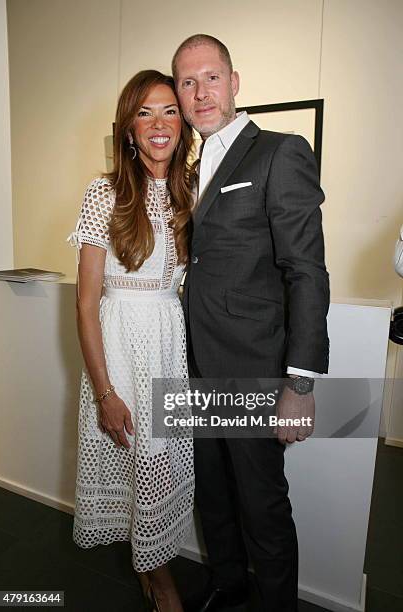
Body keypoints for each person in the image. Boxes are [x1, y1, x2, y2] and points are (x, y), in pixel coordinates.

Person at [172, 35, 330, 612]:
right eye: (187, 82)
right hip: (194, 366)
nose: (199, 92)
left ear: (235, 82)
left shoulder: (280, 152)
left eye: (211, 77)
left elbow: (306, 272)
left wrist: (301, 383)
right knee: (212, 492)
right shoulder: (188, 170)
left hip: (253, 370)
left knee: (261, 503)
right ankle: (226, 583)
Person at [67, 70, 195, 612]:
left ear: (182, 124)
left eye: (170, 110)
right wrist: (104, 392)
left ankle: (152, 567)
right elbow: (85, 302)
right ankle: (163, 586)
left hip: (168, 349)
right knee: (135, 466)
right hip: (120, 354)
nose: (159, 123)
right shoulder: (105, 192)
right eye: (145, 113)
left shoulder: (192, 192)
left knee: (159, 470)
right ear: (128, 129)